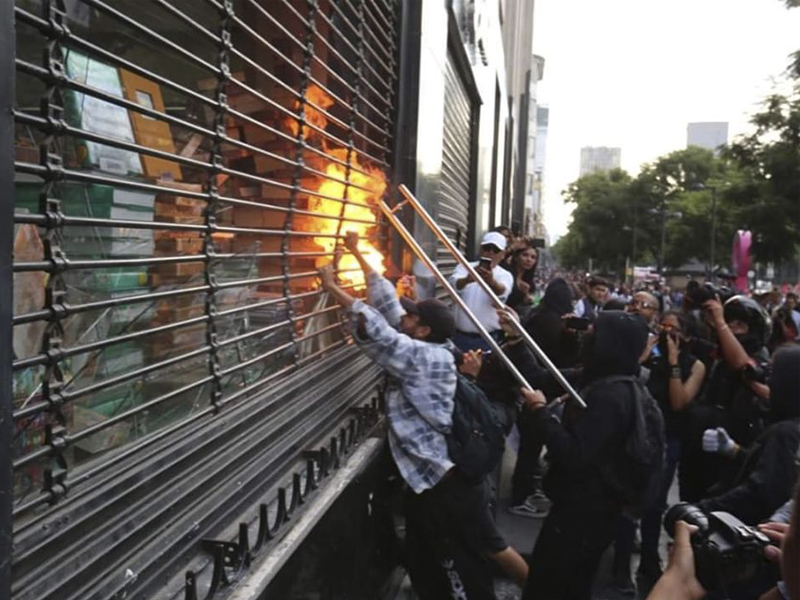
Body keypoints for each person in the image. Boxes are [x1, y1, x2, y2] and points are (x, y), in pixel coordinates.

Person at [318, 231, 527, 599]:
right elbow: (387, 304)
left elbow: (379, 330)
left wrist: (331, 286)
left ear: (425, 329)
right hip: (429, 480)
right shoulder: (431, 344)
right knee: (428, 554)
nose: (406, 316)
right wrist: (357, 253)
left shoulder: (423, 358)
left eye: (413, 316)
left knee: (470, 553)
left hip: (447, 482)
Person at [520, 311, 651, 600]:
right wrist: (517, 339)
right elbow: (540, 378)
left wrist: (541, 413)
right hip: (583, 508)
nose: (586, 335)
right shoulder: (599, 378)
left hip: (584, 512)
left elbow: (574, 454)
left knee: (552, 586)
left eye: (594, 332)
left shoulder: (612, 395)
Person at [610, 311, 707, 594]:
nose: (666, 334)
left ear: (686, 336)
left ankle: (649, 563)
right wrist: (642, 355)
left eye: (673, 330)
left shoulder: (695, 365)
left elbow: (679, 402)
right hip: (637, 436)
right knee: (628, 501)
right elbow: (625, 380)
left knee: (653, 504)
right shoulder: (649, 357)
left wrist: (674, 361)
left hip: (669, 440)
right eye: (662, 328)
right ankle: (620, 567)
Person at [699, 345, 800, 525]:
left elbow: (762, 491)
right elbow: (777, 470)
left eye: (774, 374)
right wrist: (735, 451)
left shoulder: (786, 433)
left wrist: (704, 510)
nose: (768, 381)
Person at [450, 231, 514, 352]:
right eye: (487, 248)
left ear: (503, 254)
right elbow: (453, 284)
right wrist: (468, 279)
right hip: (459, 337)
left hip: (486, 339)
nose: (490, 253)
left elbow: (502, 291)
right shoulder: (464, 267)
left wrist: (491, 281)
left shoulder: (505, 275)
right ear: (481, 249)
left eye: (495, 250)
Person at [504, 240, 539, 318]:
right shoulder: (506, 273)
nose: (529, 260)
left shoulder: (530, 283)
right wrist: (513, 247)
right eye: (525, 255)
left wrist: (526, 296)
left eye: (533, 257)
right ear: (516, 257)